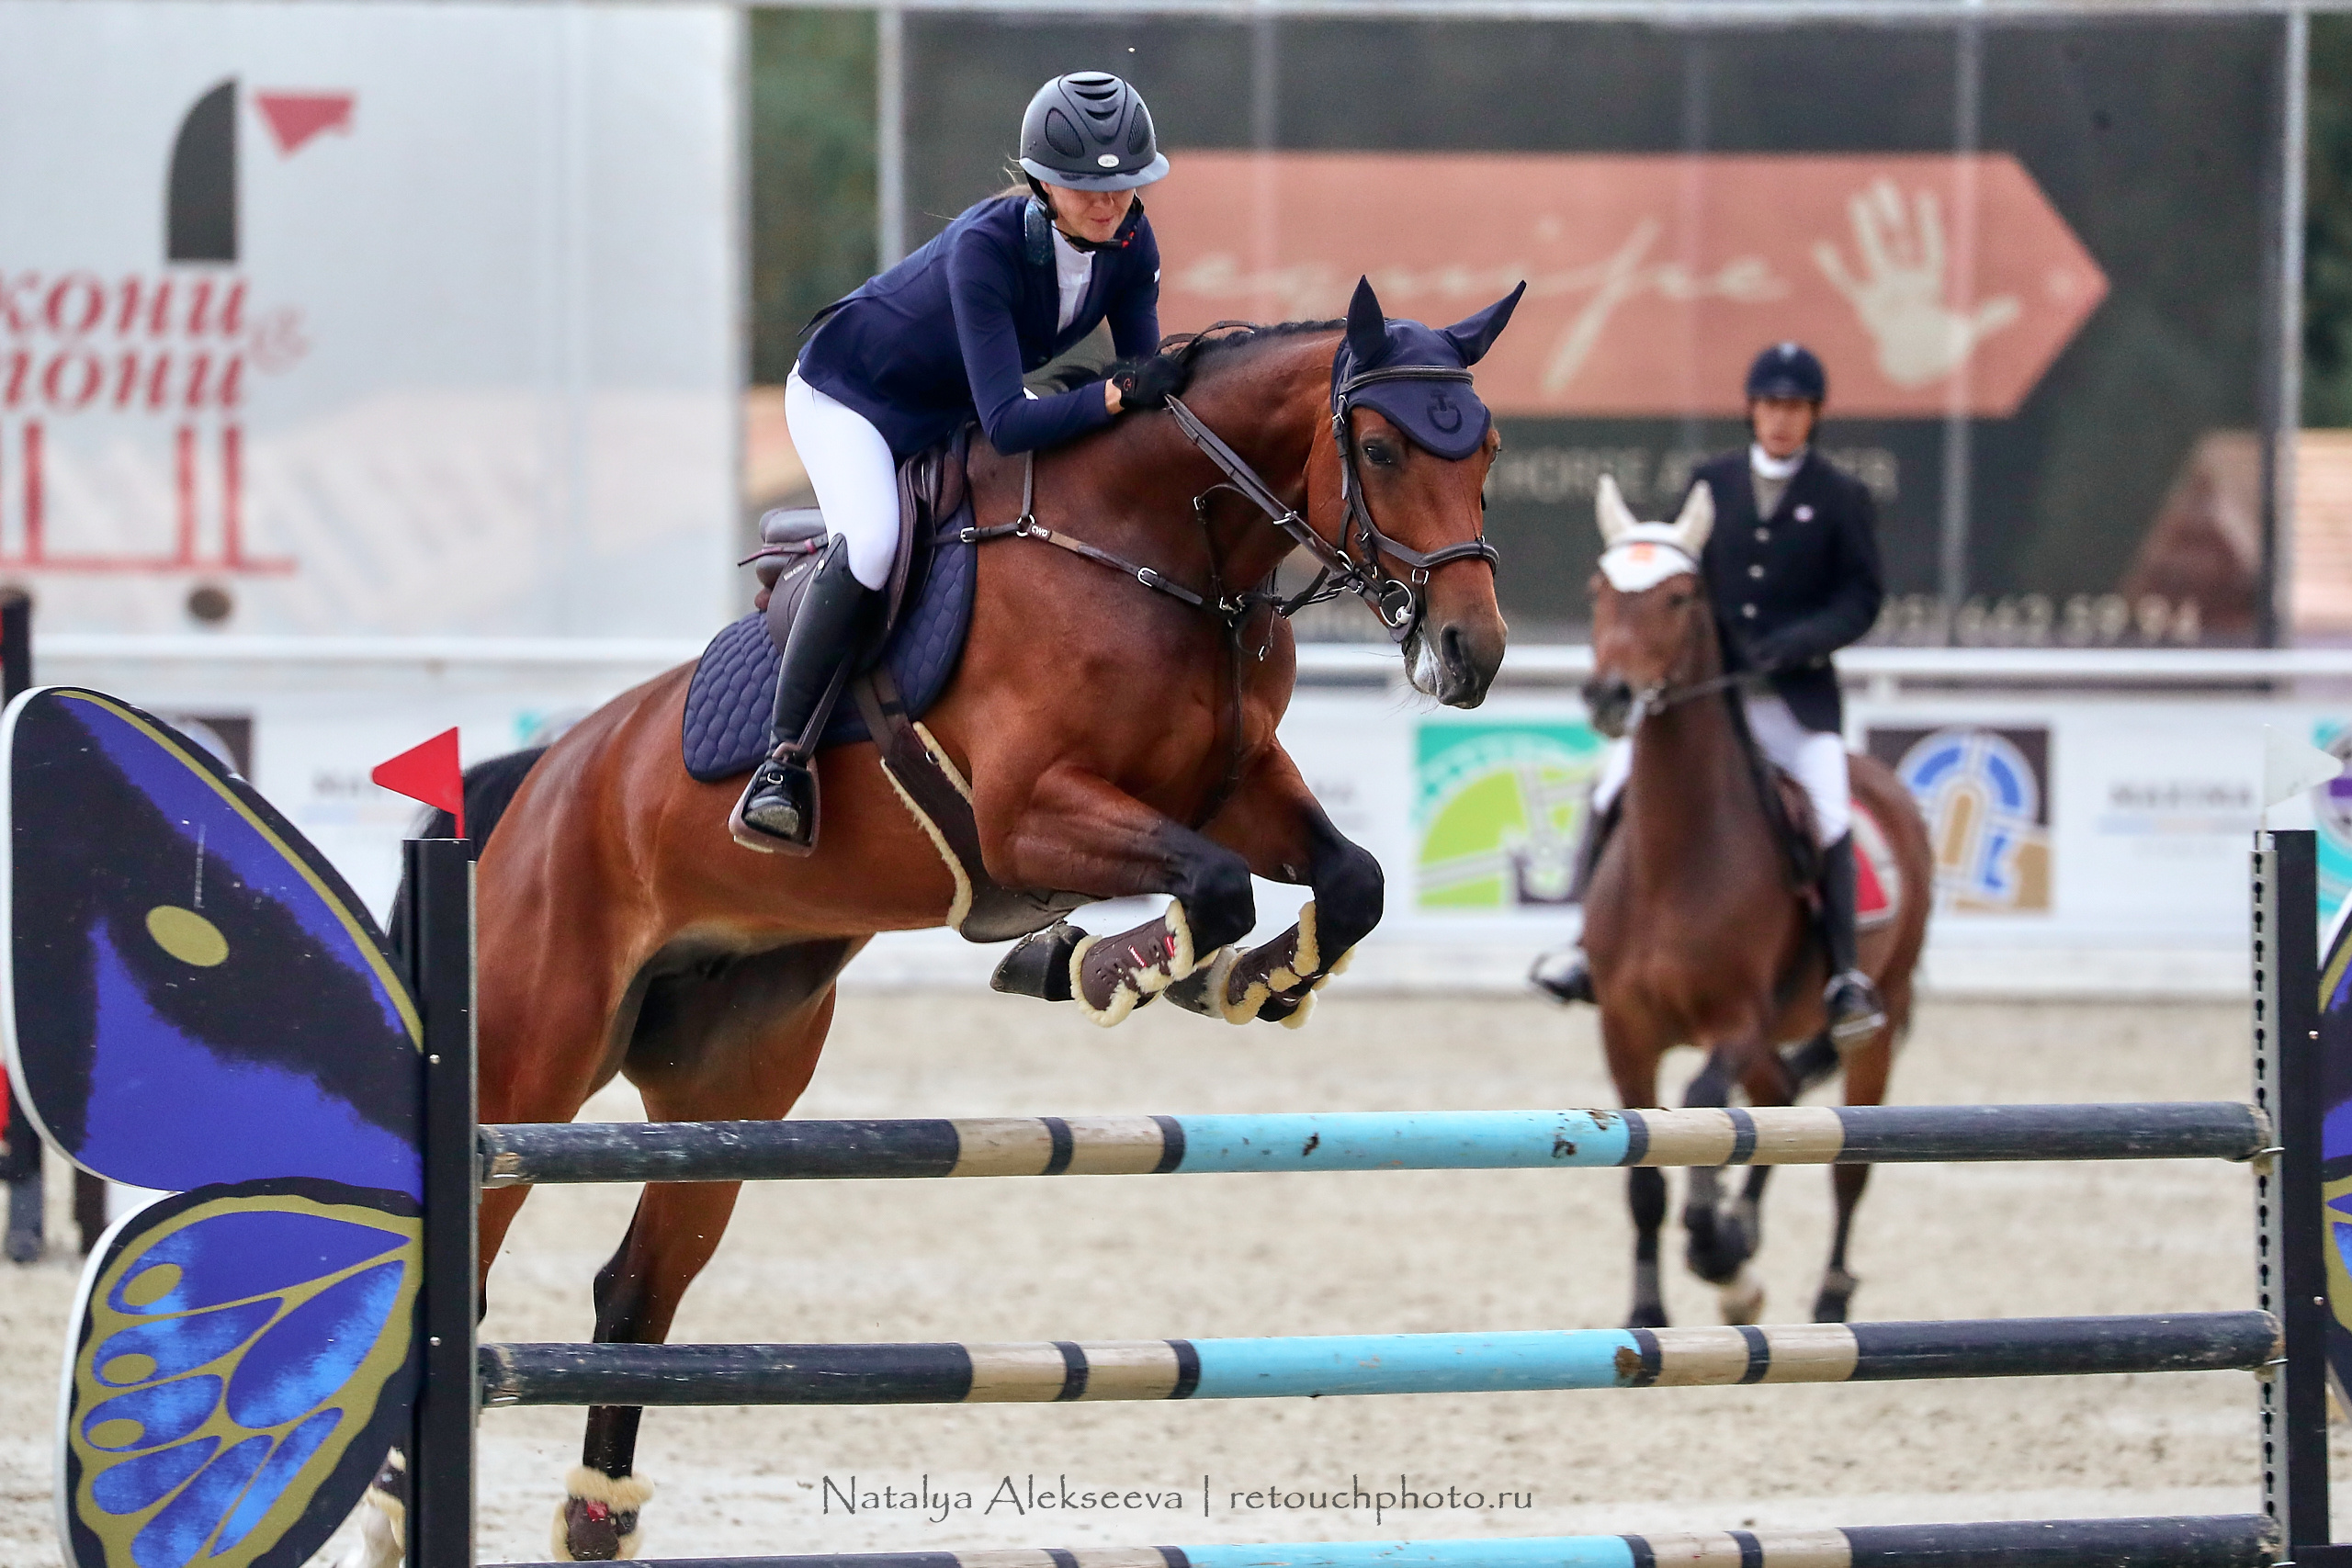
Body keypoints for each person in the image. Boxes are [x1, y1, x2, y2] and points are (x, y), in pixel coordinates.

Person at [733, 71, 1186, 852]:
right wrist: (1115, 398)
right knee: (872, 542)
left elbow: (1139, 389)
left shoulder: (1131, 243)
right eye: (1086, 189)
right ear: (1043, 183)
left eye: (1124, 187)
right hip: (847, 397)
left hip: (943, 408)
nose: (1109, 205)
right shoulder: (988, 246)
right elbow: (1012, 422)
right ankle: (781, 763)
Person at [1531, 342, 1889, 1048]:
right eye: (1770, 405)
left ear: (1813, 415)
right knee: (1610, 787)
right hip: (1706, 698)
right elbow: (1673, 577)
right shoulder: (1711, 485)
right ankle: (1583, 945)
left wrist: (1798, 642)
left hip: (1792, 697)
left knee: (1827, 806)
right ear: (1753, 410)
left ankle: (1846, 974)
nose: (1780, 420)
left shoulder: (1841, 496)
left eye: (1794, 407)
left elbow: (1862, 597)